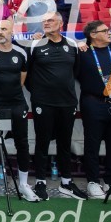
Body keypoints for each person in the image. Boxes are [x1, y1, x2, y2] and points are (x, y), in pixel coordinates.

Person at [27, 13, 88, 201]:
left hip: (67, 102)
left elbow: (76, 71)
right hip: (43, 102)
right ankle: (40, 182)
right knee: (42, 142)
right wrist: (38, 93)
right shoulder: (36, 45)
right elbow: (27, 74)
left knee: (64, 142)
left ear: (61, 24)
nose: (46, 23)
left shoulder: (72, 45)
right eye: (44, 21)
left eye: (50, 20)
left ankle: (66, 182)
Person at [0, 19, 38, 202]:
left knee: (22, 143)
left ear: (12, 31)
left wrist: (10, 95)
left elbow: (21, 79)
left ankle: (24, 185)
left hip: (17, 103)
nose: (0, 32)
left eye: (4, 29)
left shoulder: (21, 53)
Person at [77, 20, 111, 200]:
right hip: (93, 101)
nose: (110, 33)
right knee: (93, 143)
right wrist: (77, 43)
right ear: (93, 35)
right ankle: (92, 181)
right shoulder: (82, 52)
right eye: (105, 30)